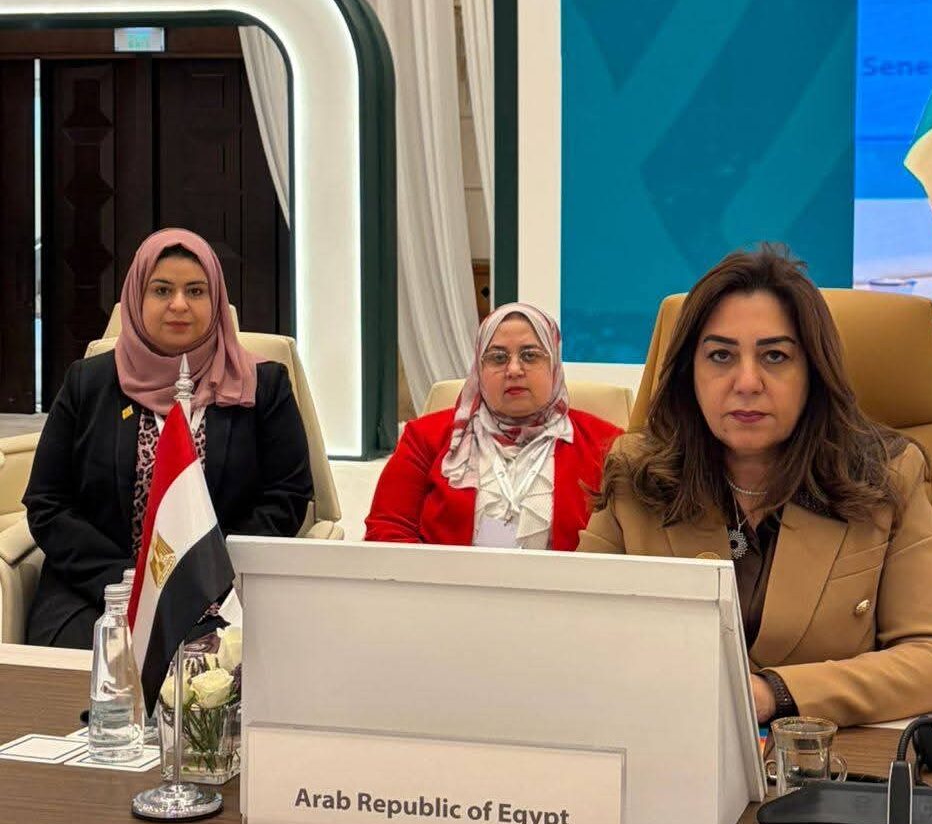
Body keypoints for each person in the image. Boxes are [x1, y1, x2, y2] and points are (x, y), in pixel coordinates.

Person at [578, 246, 932, 726]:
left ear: (813, 373)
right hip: (667, 743)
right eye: (720, 355)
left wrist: (773, 694)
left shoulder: (885, 476)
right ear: (689, 373)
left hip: (824, 758)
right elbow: (576, 632)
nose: (747, 382)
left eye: (775, 356)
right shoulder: (635, 474)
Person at [24, 228, 313, 648]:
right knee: (95, 666)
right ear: (136, 299)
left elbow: (288, 496)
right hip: (101, 591)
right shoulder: (89, 383)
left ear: (216, 300)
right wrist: (127, 581)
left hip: (225, 592)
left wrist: (204, 577)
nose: (179, 304)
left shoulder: (261, 385)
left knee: (222, 668)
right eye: (162, 290)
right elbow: (47, 503)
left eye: (195, 291)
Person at [365, 303, 621, 550]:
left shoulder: (607, 445)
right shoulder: (424, 438)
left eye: (530, 356)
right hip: (447, 580)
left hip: (564, 582)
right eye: (498, 358)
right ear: (479, 368)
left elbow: (623, 545)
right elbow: (386, 530)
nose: (514, 369)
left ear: (554, 365)